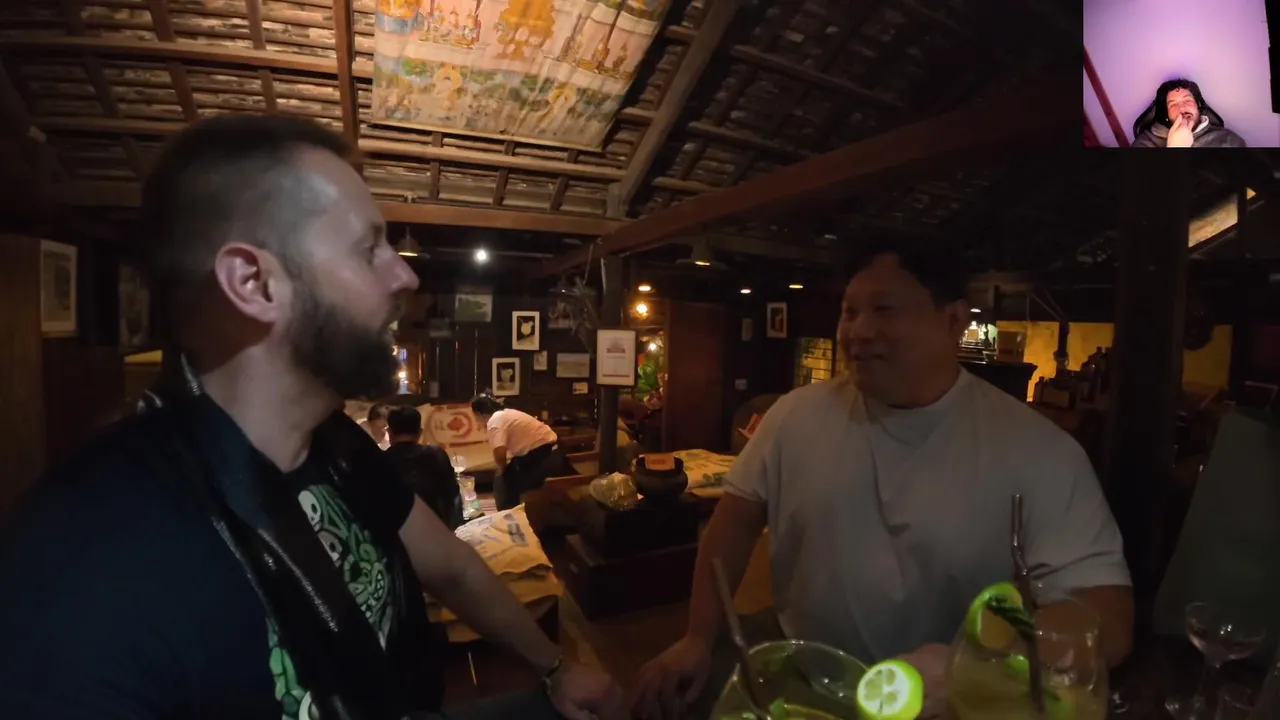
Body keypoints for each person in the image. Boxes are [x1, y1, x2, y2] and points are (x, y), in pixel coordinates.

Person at [0, 115, 622, 720]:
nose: (406, 274)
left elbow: (452, 568)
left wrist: (555, 668)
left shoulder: (337, 444)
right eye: (368, 249)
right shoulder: (82, 563)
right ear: (255, 283)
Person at [629, 240, 1134, 720]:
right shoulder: (795, 416)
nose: (859, 330)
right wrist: (697, 637)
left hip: (946, 705)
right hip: (803, 669)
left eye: (884, 310)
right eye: (850, 311)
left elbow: (1107, 614)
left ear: (954, 319)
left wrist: (986, 666)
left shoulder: (1037, 449)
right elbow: (733, 525)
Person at [471, 393, 576, 510]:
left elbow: (499, 452)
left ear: (478, 414)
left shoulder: (494, 421)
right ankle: (514, 511)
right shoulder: (506, 413)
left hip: (545, 457)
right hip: (550, 452)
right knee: (508, 476)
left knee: (504, 481)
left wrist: (501, 470)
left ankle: (509, 514)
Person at [385, 405, 465, 530]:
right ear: (420, 432)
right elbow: (452, 493)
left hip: (396, 531)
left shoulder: (381, 460)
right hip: (434, 528)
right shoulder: (436, 455)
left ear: (390, 432)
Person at [1132, 78, 1246, 148]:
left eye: (1187, 100)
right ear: (1166, 114)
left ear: (1198, 105)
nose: (1182, 107)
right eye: (1173, 104)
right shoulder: (1145, 142)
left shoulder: (1229, 140)